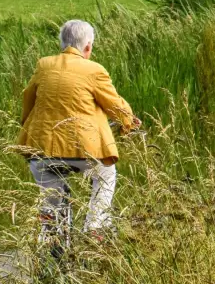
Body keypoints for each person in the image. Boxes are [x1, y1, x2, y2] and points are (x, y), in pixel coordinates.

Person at [19, 20, 139, 248]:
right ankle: (95, 228)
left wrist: (27, 126)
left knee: (51, 198)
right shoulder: (94, 69)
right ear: (88, 47)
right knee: (105, 176)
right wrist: (129, 123)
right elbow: (115, 105)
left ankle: (52, 236)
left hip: (42, 148)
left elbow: (28, 100)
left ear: (62, 43)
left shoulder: (43, 65)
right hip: (85, 150)